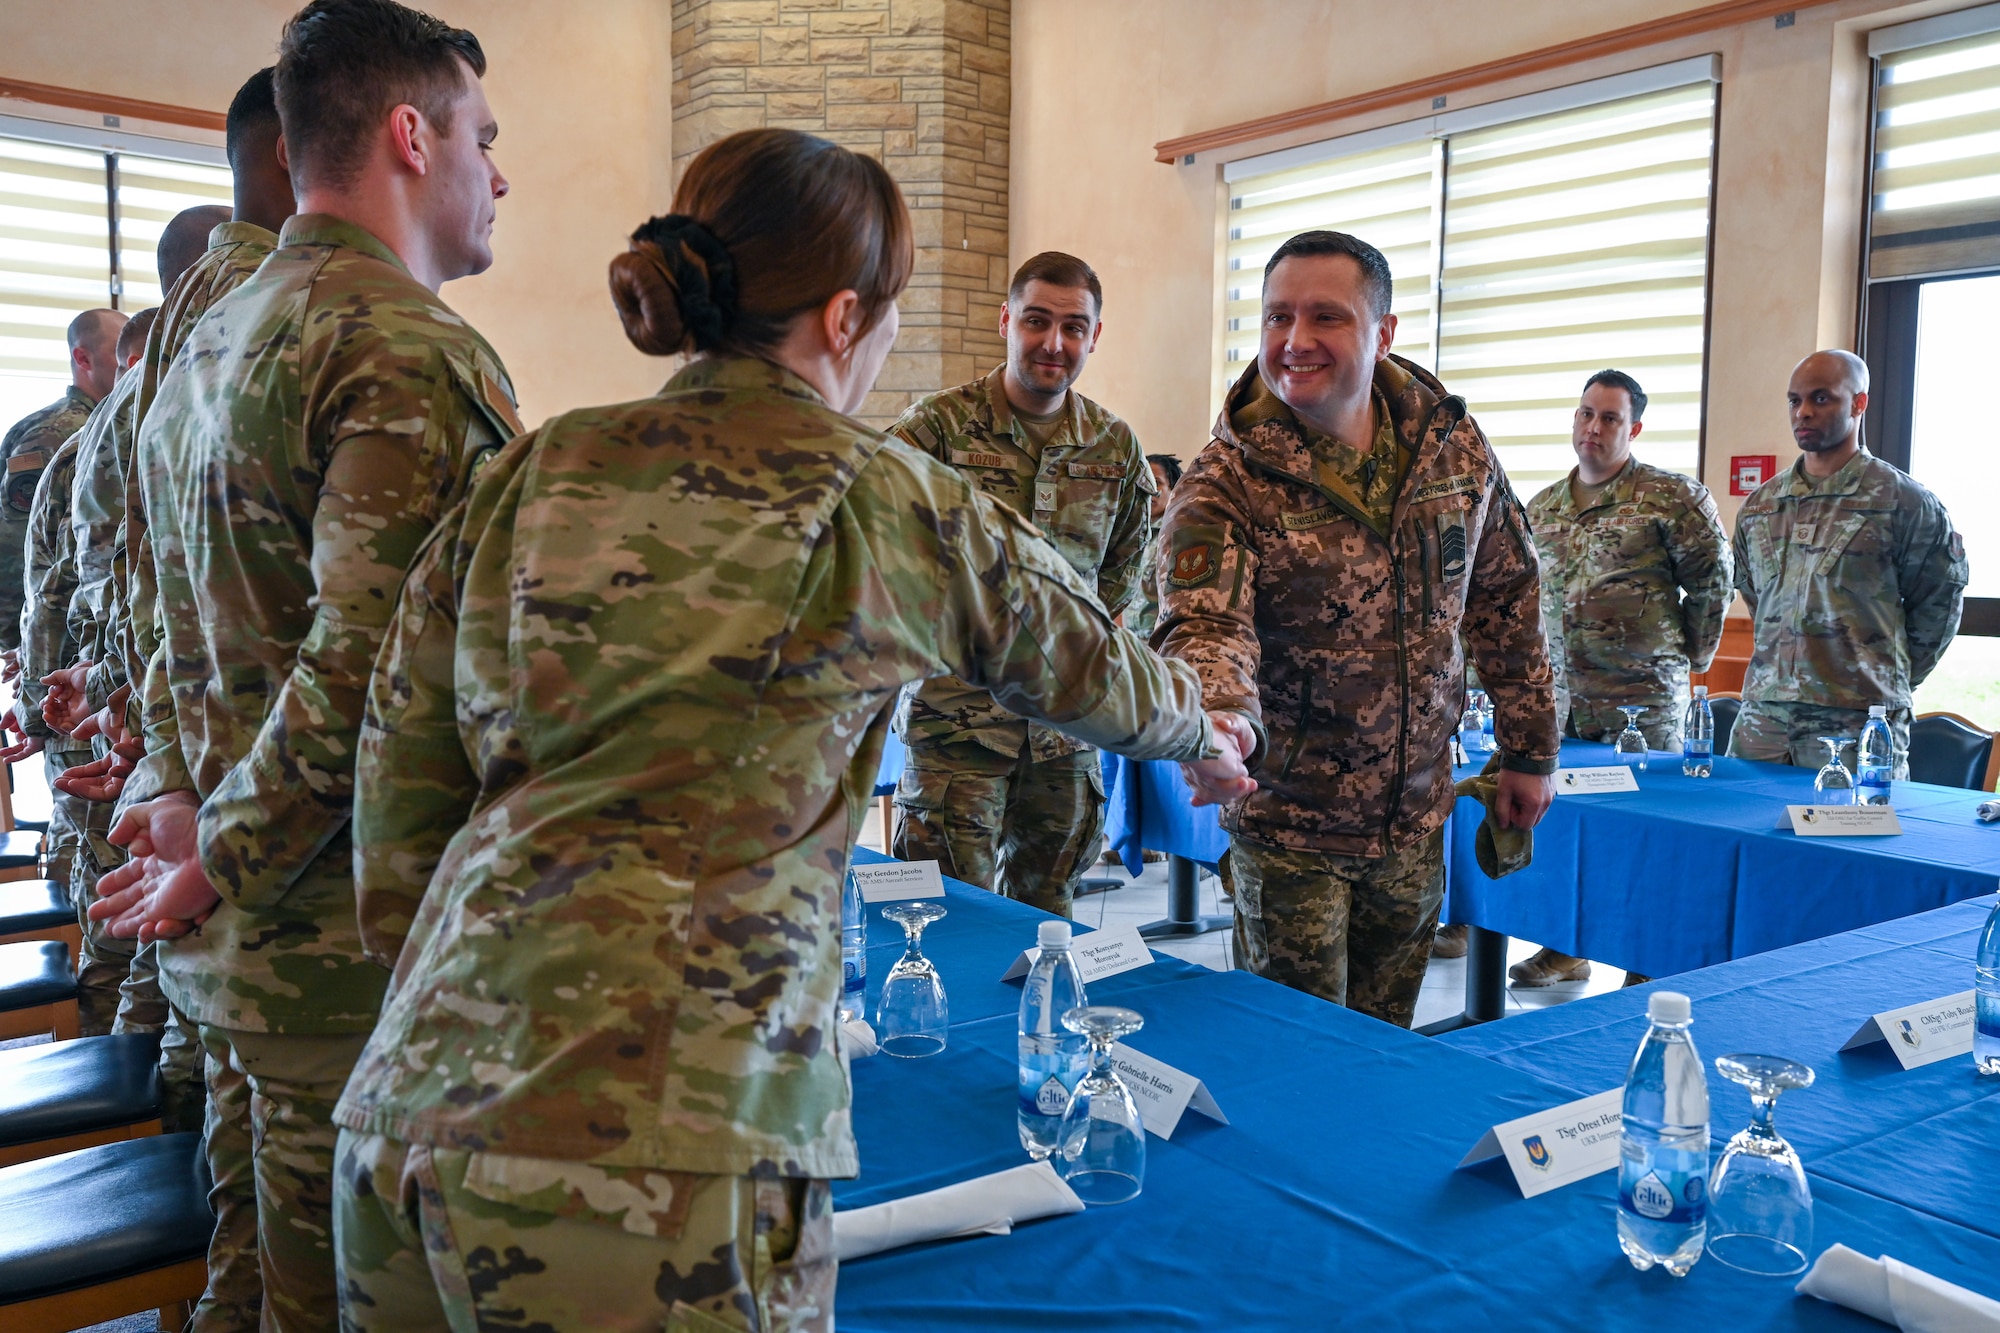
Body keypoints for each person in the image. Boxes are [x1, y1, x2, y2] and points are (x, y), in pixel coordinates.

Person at [311, 127, 1251, 1333]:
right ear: (846, 316)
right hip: (657, 1144)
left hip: (408, 1102)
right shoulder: (878, 491)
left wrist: (456, 1002)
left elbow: (395, 775)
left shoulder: (535, 469)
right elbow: (1086, 665)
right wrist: (1202, 733)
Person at [89, 5, 519, 1330]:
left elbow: (164, 611)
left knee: (250, 1283)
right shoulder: (400, 346)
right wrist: (222, 846)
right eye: (483, 138)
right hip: (347, 953)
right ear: (410, 134)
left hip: (236, 946)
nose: (500, 174)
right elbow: (371, 667)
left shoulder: (209, 333)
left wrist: (179, 798)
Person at [1157, 228, 1559, 1029]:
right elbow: (1205, 622)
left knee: (1386, 1047)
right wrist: (1223, 720)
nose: (1295, 342)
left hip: (1415, 820)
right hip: (1292, 828)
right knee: (1298, 1061)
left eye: (1325, 318)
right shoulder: (1224, 477)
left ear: (1383, 332)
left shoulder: (1453, 448)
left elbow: (1507, 595)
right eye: (1276, 318)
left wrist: (1529, 749)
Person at [886, 252, 1153, 918]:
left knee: (1050, 921)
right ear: (1005, 321)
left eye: (1072, 327)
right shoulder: (934, 433)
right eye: (1036, 321)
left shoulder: (1114, 449)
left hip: (1065, 736)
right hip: (956, 733)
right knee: (947, 921)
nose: (1053, 343)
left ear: (1094, 336)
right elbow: (879, 558)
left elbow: (1126, 583)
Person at [1505, 369, 1731, 988]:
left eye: (1608, 418)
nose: (1593, 429)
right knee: (1566, 826)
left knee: (1647, 835)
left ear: (1633, 427)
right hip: (1563, 701)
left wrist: (1691, 657)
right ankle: (1564, 946)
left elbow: (1713, 580)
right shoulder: (1543, 506)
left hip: (1641, 701)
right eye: (1585, 414)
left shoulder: (1671, 498)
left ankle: (1647, 960)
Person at [2, 308, 150, 1036]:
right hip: (100, 705)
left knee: (98, 881)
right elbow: (67, 593)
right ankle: (109, 1076)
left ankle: (108, 1061)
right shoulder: (89, 440)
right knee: (120, 917)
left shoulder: (61, 441)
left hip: (87, 695)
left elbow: (41, 591)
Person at [1729, 350, 1967, 772]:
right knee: (1742, 833)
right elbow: (1756, 595)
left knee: (1852, 836)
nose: (1803, 412)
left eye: (1821, 399)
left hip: (1858, 719)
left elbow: (1938, 607)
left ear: (1859, 404)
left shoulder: (1903, 502)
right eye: (1794, 400)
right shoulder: (1762, 506)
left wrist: (1882, 678)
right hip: (1765, 719)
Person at [0, 307, 124, 676]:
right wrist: (26, 645)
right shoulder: (58, 433)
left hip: (77, 639)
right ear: (82, 357)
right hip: (57, 648)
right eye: (116, 352)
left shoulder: (110, 423)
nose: (129, 363)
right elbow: (19, 546)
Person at [1128, 452, 1182, 640]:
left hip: (1159, 646)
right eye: (1143, 481)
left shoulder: (1177, 535)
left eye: (1157, 482)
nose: (1148, 489)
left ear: (1173, 489)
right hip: (1130, 644)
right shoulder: (1129, 533)